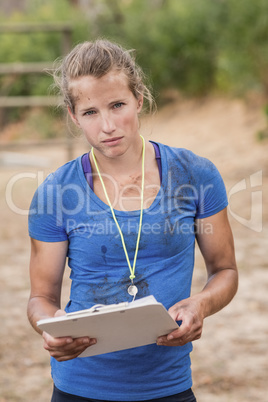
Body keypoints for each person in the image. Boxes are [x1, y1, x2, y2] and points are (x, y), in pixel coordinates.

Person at [27, 39, 238, 402]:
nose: (107, 125)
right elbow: (41, 297)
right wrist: (50, 328)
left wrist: (199, 304)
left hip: (167, 386)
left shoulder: (196, 174)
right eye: (90, 112)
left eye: (118, 105)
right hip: (80, 386)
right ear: (73, 115)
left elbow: (225, 270)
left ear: (139, 99)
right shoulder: (55, 193)